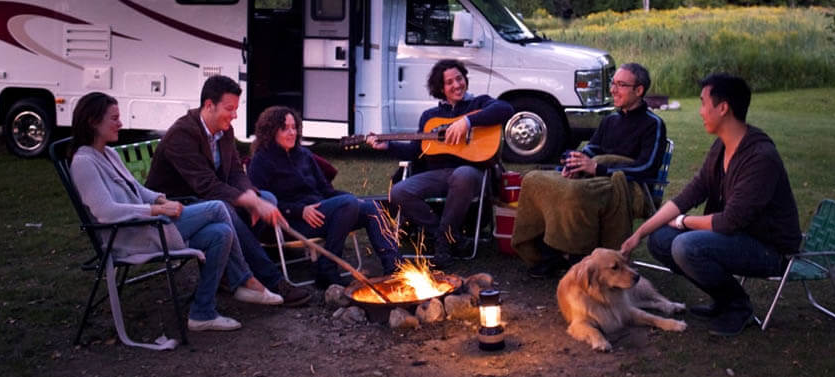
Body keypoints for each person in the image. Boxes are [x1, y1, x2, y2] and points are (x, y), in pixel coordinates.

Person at [69, 92, 283, 332]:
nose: (121, 123)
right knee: (218, 207)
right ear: (92, 121)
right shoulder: (83, 163)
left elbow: (138, 190)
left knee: (221, 232)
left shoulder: (107, 154)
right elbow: (106, 212)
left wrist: (161, 199)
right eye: (114, 118)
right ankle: (244, 279)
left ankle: (203, 313)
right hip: (130, 236)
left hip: (150, 227)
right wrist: (157, 209)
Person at [620, 73, 801, 337]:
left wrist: (684, 222)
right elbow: (688, 196)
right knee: (659, 240)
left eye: (704, 103)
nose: (701, 111)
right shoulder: (722, 147)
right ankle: (724, 300)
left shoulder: (760, 158)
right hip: (737, 238)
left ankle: (738, 307)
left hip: (770, 249)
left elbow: (729, 222)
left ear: (723, 107)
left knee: (686, 245)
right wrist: (639, 233)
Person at [146, 75, 310, 304]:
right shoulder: (181, 134)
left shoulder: (224, 131)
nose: (234, 115)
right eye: (229, 108)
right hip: (177, 206)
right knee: (226, 208)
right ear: (209, 105)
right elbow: (205, 185)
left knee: (268, 198)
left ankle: (228, 272)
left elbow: (235, 172)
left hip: (206, 198)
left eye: (236, 108)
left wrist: (252, 196)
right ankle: (271, 280)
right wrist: (249, 202)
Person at [516, 62, 667, 278]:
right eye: (613, 84)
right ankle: (547, 254)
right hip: (594, 178)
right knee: (534, 179)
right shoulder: (611, 120)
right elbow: (590, 149)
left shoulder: (653, 124)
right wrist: (572, 163)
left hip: (628, 186)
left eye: (621, 85)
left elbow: (647, 167)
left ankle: (578, 257)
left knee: (576, 193)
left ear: (639, 90)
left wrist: (598, 167)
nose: (613, 90)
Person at [366, 59, 513, 267]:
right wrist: (388, 147)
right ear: (441, 88)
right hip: (439, 175)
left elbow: (505, 108)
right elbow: (415, 151)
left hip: (472, 174)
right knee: (398, 191)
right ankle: (444, 236)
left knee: (463, 174)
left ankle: (444, 239)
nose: (456, 85)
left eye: (459, 79)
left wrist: (467, 122)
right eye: (449, 82)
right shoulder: (430, 117)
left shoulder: (478, 103)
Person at [247, 106, 400, 288]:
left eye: (294, 127)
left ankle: (395, 268)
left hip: (320, 212)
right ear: (271, 131)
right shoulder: (262, 160)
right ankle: (326, 269)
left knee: (370, 207)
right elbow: (260, 202)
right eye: (284, 128)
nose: (291, 132)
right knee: (348, 204)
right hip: (290, 222)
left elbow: (326, 191)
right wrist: (299, 211)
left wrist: (351, 199)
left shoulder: (303, 154)